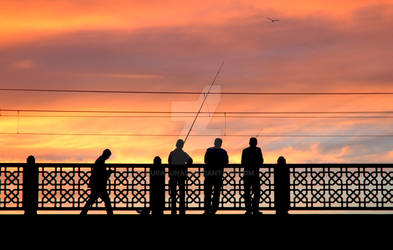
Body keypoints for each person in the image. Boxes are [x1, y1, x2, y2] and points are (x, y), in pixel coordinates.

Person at [81, 149, 114, 215]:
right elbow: (101, 174)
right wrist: (108, 172)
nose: (108, 157)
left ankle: (83, 212)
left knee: (92, 200)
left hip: (96, 184)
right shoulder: (101, 161)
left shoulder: (99, 160)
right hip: (99, 185)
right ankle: (110, 214)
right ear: (106, 154)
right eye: (108, 156)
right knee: (106, 200)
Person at [203, 138, 228, 215]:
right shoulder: (223, 152)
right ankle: (214, 210)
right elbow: (226, 162)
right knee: (216, 193)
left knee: (207, 193)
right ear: (220, 144)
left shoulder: (209, 150)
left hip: (209, 174)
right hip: (218, 175)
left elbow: (205, 160)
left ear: (214, 143)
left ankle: (207, 210)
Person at [168, 139, 192, 215]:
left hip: (173, 175)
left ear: (176, 145)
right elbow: (190, 161)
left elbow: (169, 162)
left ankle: (173, 209)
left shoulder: (172, 153)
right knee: (182, 192)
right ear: (182, 145)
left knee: (173, 193)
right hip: (181, 175)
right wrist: (185, 166)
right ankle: (182, 209)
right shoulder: (183, 154)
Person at [241, 137, 263, 215]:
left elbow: (242, 163)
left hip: (247, 173)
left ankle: (248, 210)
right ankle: (255, 209)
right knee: (257, 192)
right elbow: (261, 161)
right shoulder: (258, 150)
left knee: (247, 192)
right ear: (256, 143)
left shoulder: (245, 151)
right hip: (255, 173)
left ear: (249, 143)